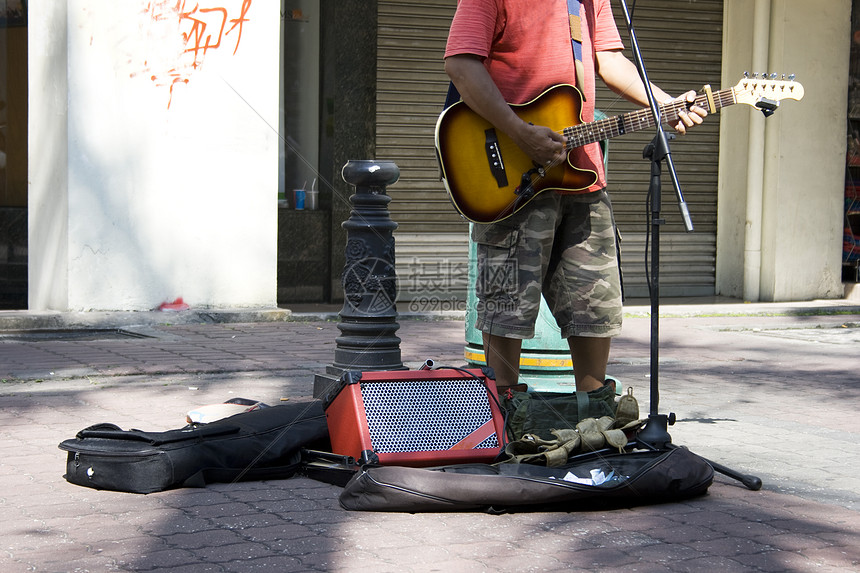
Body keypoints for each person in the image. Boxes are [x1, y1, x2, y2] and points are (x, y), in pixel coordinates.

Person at [444, 0, 707, 396]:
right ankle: (504, 416)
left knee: (595, 304)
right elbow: (461, 65)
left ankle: (594, 414)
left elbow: (611, 62)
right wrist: (519, 132)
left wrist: (664, 104)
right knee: (507, 306)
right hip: (513, 173)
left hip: (582, 172)